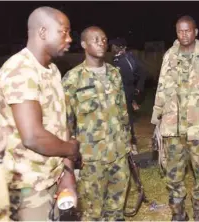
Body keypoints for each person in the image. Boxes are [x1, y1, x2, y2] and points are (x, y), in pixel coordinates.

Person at [0, 6, 79, 221]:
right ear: (42, 32)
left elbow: (60, 123)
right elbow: (33, 137)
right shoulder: (20, 71)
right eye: (63, 32)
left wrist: (67, 171)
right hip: (26, 187)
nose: (69, 39)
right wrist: (71, 149)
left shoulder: (52, 70)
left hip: (52, 177)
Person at [151, 15, 199, 221]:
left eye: (188, 30)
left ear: (196, 31)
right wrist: (157, 120)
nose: (184, 34)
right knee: (173, 174)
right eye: (180, 31)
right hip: (172, 127)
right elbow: (161, 87)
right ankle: (178, 213)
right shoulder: (169, 55)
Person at [62, 26, 131, 221]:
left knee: (117, 211)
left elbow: (123, 111)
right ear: (84, 44)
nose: (101, 42)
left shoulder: (114, 74)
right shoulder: (72, 79)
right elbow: (66, 123)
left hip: (119, 153)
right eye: (95, 39)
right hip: (91, 159)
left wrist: (128, 142)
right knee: (93, 213)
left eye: (104, 39)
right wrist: (71, 158)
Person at [110, 38, 147, 155]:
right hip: (120, 94)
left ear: (119, 47)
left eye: (113, 46)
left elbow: (136, 75)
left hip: (126, 93)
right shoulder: (117, 59)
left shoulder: (126, 59)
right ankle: (123, 143)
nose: (111, 48)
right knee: (119, 119)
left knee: (127, 119)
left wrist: (136, 91)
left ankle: (132, 144)